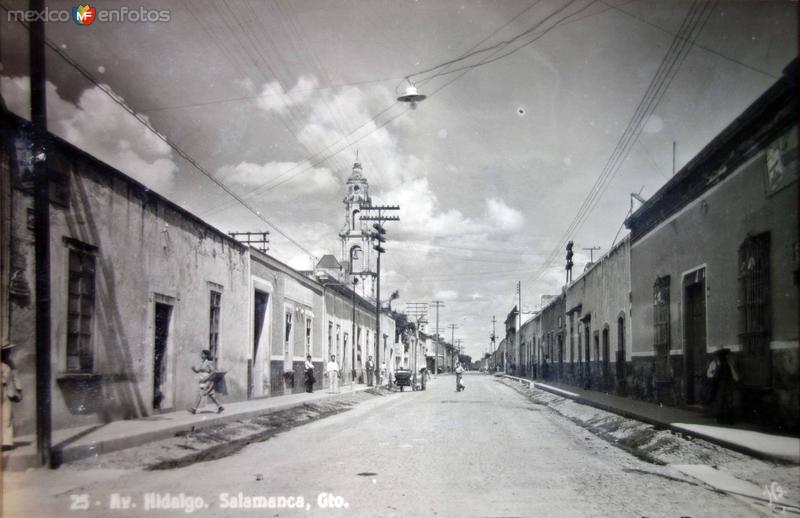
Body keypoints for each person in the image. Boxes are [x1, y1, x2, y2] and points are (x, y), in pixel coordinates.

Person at [189, 349, 224, 414]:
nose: (201, 355)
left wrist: (207, 379)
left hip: (207, 381)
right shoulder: (202, 363)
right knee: (211, 395)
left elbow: (213, 371)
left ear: (206, 355)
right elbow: (198, 371)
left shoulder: (208, 363)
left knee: (200, 394)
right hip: (203, 381)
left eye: (203, 354)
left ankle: (194, 409)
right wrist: (194, 369)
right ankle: (220, 407)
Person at [2, 342, 22, 451]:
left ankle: (6, 442)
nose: (8, 352)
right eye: (6, 350)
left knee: (7, 416)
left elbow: (15, 376)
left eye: (8, 351)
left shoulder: (10, 363)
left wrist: (19, 389)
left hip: (7, 391)